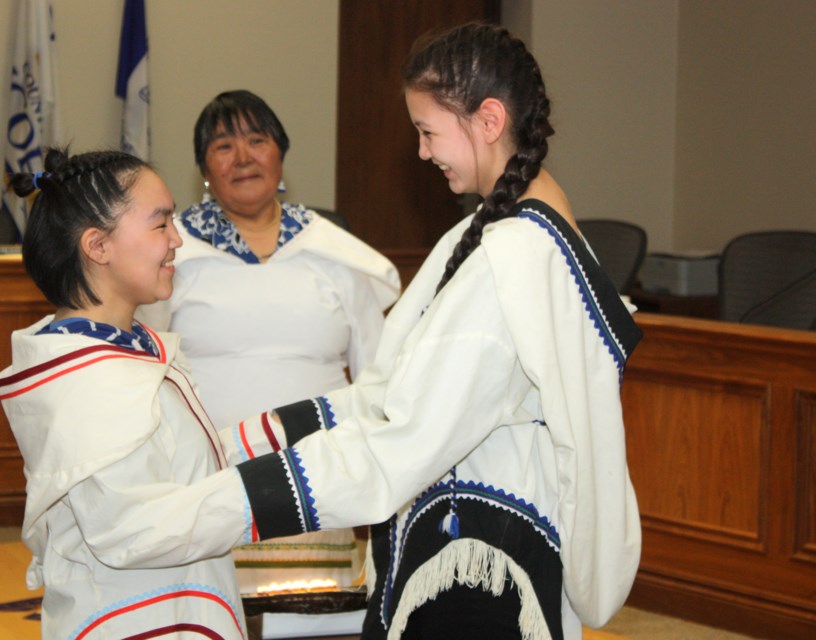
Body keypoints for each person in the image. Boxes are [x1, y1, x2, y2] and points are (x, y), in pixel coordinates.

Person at [211, 22, 644, 639]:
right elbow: (384, 394)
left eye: (427, 131)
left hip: (477, 566)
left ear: (488, 120)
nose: (421, 151)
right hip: (479, 541)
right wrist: (240, 442)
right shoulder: (500, 231)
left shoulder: (510, 254)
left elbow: (405, 438)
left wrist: (228, 498)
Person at [0, 148, 283, 640]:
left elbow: (185, 464)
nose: (177, 239)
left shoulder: (132, 348)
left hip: (184, 607)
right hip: (132, 622)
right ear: (97, 246)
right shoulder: (85, 382)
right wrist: (287, 493)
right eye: (160, 223)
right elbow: (133, 528)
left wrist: (299, 429)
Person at [139, 89, 400, 592]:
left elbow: (378, 372)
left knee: (316, 612)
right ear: (204, 171)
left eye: (257, 140)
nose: (242, 157)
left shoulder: (332, 252)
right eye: (223, 146)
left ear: (280, 155)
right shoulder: (172, 253)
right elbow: (146, 369)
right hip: (212, 475)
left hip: (321, 471)